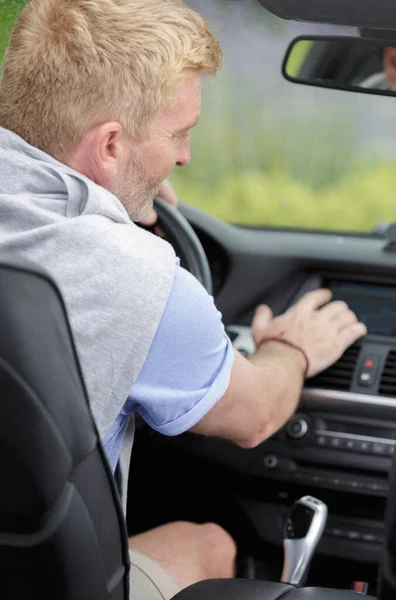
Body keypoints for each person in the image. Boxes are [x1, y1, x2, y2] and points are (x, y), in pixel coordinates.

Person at [0, 0, 367, 598]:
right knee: (210, 543)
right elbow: (256, 417)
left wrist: (123, 192)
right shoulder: (137, 276)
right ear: (111, 144)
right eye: (179, 134)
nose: (185, 157)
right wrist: (293, 350)